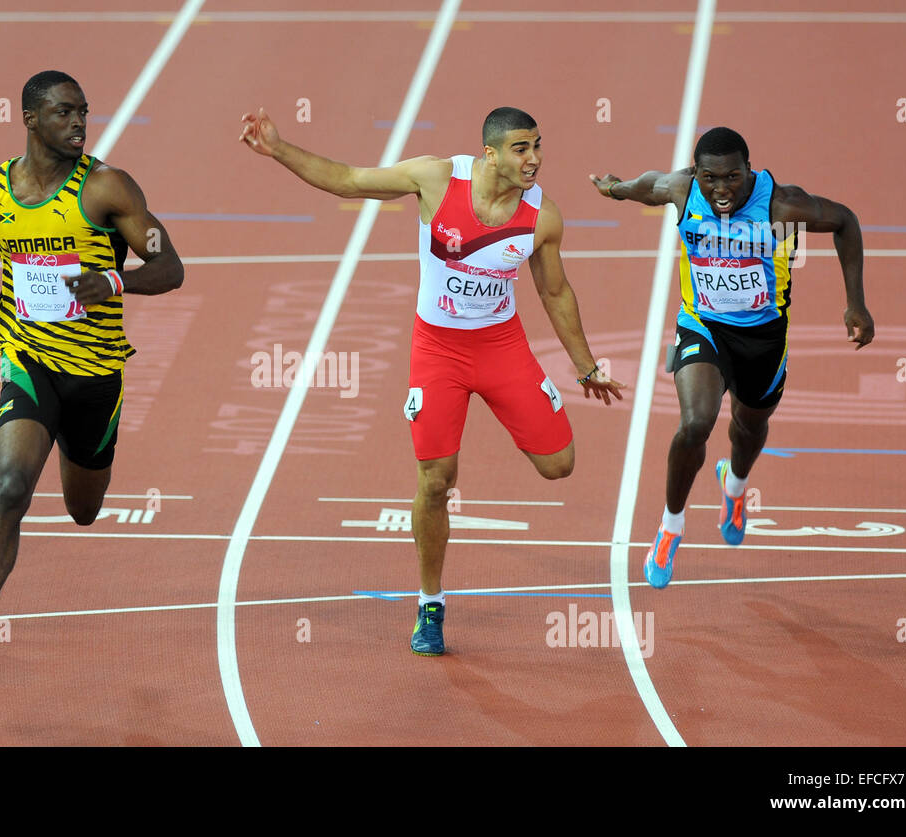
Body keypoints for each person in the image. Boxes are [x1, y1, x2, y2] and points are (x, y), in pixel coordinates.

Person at [240, 106, 625, 656]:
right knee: (436, 480)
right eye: (521, 148)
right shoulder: (435, 178)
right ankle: (430, 603)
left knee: (558, 465)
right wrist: (279, 149)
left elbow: (555, 293)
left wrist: (585, 366)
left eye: (538, 146)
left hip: (501, 347)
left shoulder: (543, 217)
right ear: (489, 152)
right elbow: (350, 180)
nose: (534, 158)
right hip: (439, 350)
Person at [0, 70, 183, 689]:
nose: (79, 124)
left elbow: (170, 266)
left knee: (83, 509)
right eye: (64, 113)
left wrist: (114, 282)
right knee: (9, 487)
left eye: (84, 113)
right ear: (30, 120)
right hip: (27, 360)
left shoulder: (108, 189)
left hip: (95, 374)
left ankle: (71, 443)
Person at [590, 126, 874, 589]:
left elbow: (846, 221)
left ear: (749, 170)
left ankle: (735, 487)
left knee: (749, 429)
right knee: (695, 423)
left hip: (763, 339)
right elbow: (646, 187)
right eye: (710, 178)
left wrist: (856, 302)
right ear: (695, 173)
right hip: (703, 326)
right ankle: (670, 526)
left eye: (732, 177)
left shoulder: (781, 206)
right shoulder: (683, 191)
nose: (721, 189)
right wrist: (616, 189)